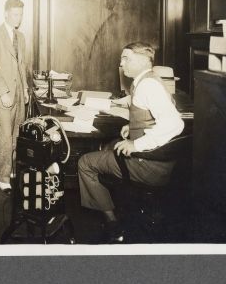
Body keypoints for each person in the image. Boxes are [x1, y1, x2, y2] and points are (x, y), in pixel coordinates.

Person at [77, 42, 184, 242]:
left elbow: (175, 124)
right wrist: (133, 126)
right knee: (109, 146)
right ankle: (121, 203)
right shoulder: (147, 80)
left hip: (149, 166)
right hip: (158, 163)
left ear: (144, 60)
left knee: (85, 163)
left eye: (126, 59)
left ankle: (113, 224)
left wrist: (136, 144)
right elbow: (151, 117)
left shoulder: (148, 86)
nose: (121, 63)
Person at [0, 0, 30, 193]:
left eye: (20, 14)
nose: (18, 18)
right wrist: (3, 93)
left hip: (18, 94)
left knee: (16, 136)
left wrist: (25, 89)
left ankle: (12, 171)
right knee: (4, 138)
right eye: (15, 14)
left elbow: (22, 66)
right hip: (2, 96)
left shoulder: (21, 37)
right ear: (6, 14)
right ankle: (3, 177)